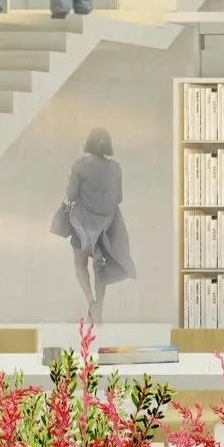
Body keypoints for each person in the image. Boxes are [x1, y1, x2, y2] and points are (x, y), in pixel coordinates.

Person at [51, 127, 133, 325]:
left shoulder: (79, 166)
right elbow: (119, 198)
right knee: (100, 268)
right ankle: (100, 308)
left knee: (80, 264)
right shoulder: (116, 168)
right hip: (107, 228)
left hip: (83, 225)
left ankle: (91, 301)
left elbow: (71, 195)